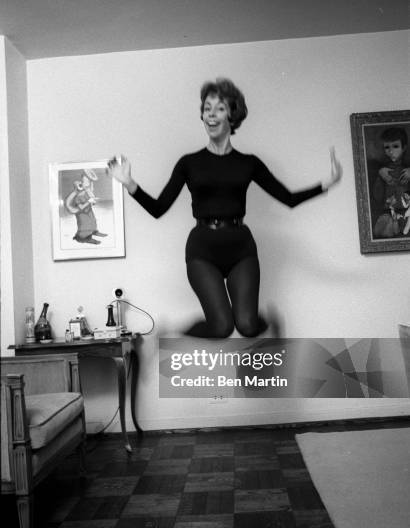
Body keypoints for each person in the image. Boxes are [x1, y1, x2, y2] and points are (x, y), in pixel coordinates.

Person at [108, 78, 342, 338]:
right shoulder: (189, 163)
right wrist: (129, 183)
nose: (211, 113)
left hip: (241, 248)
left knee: (248, 326)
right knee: (222, 327)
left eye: (219, 108)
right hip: (202, 250)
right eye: (207, 108)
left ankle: (270, 324)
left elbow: (287, 198)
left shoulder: (248, 163)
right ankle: (173, 332)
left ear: (233, 114)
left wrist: (326, 184)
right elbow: (158, 208)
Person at [373, 127, 410, 238]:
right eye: (387, 147)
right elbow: (377, 197)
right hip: (390, 213)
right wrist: (380, 174)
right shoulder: (384, 171)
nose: (391, 151)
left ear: (404, 148)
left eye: (395, 146)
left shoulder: (407, 170)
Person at [65, 169, 107, 244]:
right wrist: (89, 201)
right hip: (82, 212)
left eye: (88, 181)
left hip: (88, 209)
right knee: (85, 223)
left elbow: (90, 197)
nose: (87, 183)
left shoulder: (86, 190)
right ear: (82, 182)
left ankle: (94, 231)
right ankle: (84, 238)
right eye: (85, 181)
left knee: (93, 220)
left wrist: (92, 200)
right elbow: (80, 207)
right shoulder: (78, 195)